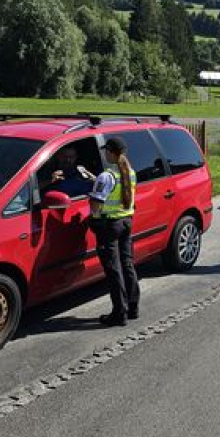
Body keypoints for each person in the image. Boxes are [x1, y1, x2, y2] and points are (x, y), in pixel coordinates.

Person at [89, 137, 140, 327]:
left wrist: (94, 190)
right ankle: (133, 307)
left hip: (109, 226)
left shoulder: (107, 176)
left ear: (111, 152)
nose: (104, 154)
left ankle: (119, 313)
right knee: (127, 264)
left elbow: (96, 205)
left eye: (106, 151)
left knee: (113, 269)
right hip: (127, 221)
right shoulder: (131, 173)